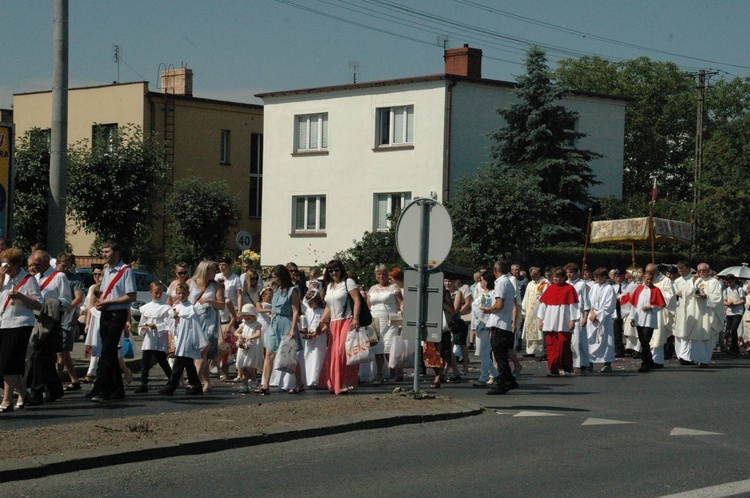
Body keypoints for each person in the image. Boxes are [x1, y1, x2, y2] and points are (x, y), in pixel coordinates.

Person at [91, 241, 136, 403]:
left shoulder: (126, 271)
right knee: (108, 351)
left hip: (118, 314)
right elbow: (104, 292)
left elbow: (131, 296)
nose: (104, 254)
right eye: (102, 251)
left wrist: (109, 303)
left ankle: (103, 389)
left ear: (116, 253)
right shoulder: (107, 270)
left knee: (107, 352)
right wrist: (101, 301)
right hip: (106, 313)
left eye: (107, 251)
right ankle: (117, 389)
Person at [26, 249, 72, 405]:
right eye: (32, 264)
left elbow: (66, 301)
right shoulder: (35, 277)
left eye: (37, 263)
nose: (34, 266)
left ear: (46, 261)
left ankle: (36, 392)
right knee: (43, 358)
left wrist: (51, 305)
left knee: (39, 355)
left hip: (51, 322)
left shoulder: (59, 277)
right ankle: (55, 389)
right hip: (37, 321)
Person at [0, 248, 43, 412]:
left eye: (7, 265)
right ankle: (24, 393)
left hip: (19, 324)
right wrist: (1, 276)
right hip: (2, 322)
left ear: (17, 264)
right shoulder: (3, 278)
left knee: (9, 364)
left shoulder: (28, 280)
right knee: (3, 365)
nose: (5, 268)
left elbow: (38, 304)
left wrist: (20, 296)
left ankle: (6, 400)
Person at [255, 265, 302, 395]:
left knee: (290, 355)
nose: (273, 279)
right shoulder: (276, 290)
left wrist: (293, 329)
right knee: (269, 353)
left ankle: (299, 383)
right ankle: (265, 385)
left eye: (275, 277)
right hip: (275, 322)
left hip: (287, 322)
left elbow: (295, 310)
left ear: (281, 277)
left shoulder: (292, 290)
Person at [316, 260, 361, 395]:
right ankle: (335, 384)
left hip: (347, 320)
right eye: (330, 271)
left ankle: (343, 382)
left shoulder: (348, 283)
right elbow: (329, 307)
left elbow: (357, 300)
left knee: (341, 352)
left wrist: (356, 318)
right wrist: (321, 323)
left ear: (341, 269)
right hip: (334, 322)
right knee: (333, 353)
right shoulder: (329, 286)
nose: (334, 273)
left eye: (336, 270)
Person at [159, 283, 204, 396]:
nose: (181, 295)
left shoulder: (192, 309)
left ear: (188, 294)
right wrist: (175, 319)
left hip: (188, 340)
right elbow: (174, 327)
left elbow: (195, 326)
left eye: (184, 293)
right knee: (188, 365)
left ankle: (170, 387)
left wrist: (196, 340)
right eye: (179, 293)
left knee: (178, 365)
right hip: (180, 339)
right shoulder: (176, 308)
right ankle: (196, 386)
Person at [480, 259, 517, 395]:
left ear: (496, 271)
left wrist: (488, 309)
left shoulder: (501, 283)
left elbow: (499, 304)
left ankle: (503, 383)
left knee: (499, 355)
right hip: (504, 323)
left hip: (499, 323)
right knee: (501, 354)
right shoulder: (508, 282)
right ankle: (509, 380)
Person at [536, 267, 580, 377]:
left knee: (563, 345)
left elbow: (573, 306)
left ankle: (566, 367)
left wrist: (573, 320)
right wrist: (541, 320)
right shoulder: (550, 289)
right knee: (551, 346)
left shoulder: (569, 289)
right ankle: (553, 369)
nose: (555, 279)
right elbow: (543, 306)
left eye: (558, 277)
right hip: (550, 321)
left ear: (563, 277)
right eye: (554, 277)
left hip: (563, 322)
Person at [677, 262, 723, 367]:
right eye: (700, 270)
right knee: (696, 337)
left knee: (707, 336)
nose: (702, 272)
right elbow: (686, 293)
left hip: (707, 313)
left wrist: (706, 296)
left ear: (709, 270)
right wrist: (693, 281)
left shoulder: (714, 282)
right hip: (696, 312)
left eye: (704, 270)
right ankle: (696, 359)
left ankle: (705, 361)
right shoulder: (695, 280)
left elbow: (718, 298)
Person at [189, 260, 225, 393]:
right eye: (214, 269)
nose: (216, 272)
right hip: (195, 320)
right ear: (205, 270)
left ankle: (195, 381)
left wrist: (210, 300)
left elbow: (222, 305)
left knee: (203, 350)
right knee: (198, 353)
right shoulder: (191, 283)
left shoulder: (216, 286)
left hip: (210, 322)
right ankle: (207, 382)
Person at [366, 264, 403, 384]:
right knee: (377, 348)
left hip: (391, 320)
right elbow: (368, 305)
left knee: (389, 348)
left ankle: (393, 373)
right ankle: (380, 375)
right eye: (379, 274)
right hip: (374, 321)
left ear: (388, 275)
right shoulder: (372, 289)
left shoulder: (394, 287)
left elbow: (401, 302)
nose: (382, 276)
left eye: (384, 274)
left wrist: (402, 313)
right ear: (376, 275)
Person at [135, 282, 173, 393]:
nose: (158, 295)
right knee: (145, 363)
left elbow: (169, 324)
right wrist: (144, 327)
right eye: (156, 293)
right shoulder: (145, 308)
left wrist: (157, 326)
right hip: (149, 339)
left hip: (160, 339)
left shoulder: (166, 308)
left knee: (162, 361)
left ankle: (172, 381)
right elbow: (141, 323)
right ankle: (143, 384)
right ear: (150, 292)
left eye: (160, 293)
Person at [56, 253, 84, 392]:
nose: (66, 269)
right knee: (63, 353)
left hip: (67, 318)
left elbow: (78, 297)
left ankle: (55, 382)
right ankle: (74, 380)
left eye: (68, 266)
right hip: (54, 318)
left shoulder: (75, 279)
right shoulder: (53, 278)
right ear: (57, 265)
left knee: (62, 352)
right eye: (63, 266)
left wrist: (67, 308)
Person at [630, 270, 667, 372]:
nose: (649, 281)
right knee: (643, 341)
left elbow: (661, 305)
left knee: (645, 341)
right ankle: (650, 361)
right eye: (647, 279)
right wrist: (632, 317)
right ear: (643, 279)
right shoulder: (639, 289)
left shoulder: (656, 290)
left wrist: (651, 308)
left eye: (651, 279)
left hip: (650, 319)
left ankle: (645, 363)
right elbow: (634, 304)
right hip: (639, 319)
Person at [472, 270, 500, 387]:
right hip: (479, 326)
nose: (480, 282)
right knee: (481, 352)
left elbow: (490, 310)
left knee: (484, 353)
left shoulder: (493, 295)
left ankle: (483, 377)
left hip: (486, 327)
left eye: (482, 280)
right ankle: (495, 374)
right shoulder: (483, 293)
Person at [644, 263, 675, 368]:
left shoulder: (665, 281)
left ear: (656, 271)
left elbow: (670, 296)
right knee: (648, 336)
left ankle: (657, 361)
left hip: (659, 312)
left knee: (658, 336)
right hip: (647, 313)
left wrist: (657, 296)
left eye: (651, 273)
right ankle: (649, 359)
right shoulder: (646, 281)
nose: (649, 276)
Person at [587, 267, 617, 372]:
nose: (595, 279)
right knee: (590, 339)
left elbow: (609, 306)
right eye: (595, 277)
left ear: (604, 277)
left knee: (605, 340)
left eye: (597, 277)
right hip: (592, 316)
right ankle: (589, 362)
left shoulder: (609, 289)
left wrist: (598, 315)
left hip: (604, 318)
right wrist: (591, 312)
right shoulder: (594, 287)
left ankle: (607, 363)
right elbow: (589, 301)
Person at [566, 263, 591, 374]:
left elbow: (586, 302)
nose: (569, 274)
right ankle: (572, 362)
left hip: (579, 313)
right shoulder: (565, 284)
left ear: (576, 273)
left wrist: (585, 316)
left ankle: (581, 363)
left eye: (571, 272)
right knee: (570, 341)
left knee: (579, 341)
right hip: (567, 314)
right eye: (567, 272)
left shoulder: (581, 285)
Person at [234, 303, 263, 393]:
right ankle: (245, 384)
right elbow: (236, 332)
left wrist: (249, 338)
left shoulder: (256, 324)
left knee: (249, 365)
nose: (246, 318)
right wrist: (240, 336)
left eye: (248, 316)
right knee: (243, 366)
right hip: (243, 346)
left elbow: (258, 334)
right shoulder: (244, 324)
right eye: (244, 316)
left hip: (252, 346)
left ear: (253, 315)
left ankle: (254, 380)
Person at [300, 289, 326, 387]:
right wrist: (305, 333)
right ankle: (307, 379)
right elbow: (306, 325)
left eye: (312, 303)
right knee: (307, 356)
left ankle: (315, 379)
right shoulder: (308, 311)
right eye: (309, 303)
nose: (310, 305)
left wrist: (318, 333)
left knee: (317, 357)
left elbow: (327, 326)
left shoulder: (322, 311)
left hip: (319, 338)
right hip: (310, 338)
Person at [521, 267, 547, 358]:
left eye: (534, 275)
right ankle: (530, 351)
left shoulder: (544, 283)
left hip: (539, 311)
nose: (532, 277)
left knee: (538, 331)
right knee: (530, 329)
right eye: (531, 276)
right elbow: (526, 297)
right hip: (530, 311)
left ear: (539, 273)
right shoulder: (530, 284)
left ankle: (540, 351)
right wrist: (524, 311)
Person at [611, 269, 632, 358]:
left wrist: (621, 298)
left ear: (623, 276)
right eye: (615, 276)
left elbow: (630, 297)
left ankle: (631, 348)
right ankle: (618, 349)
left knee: (628, 330)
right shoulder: (613, 287)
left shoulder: (629, 286)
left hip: (627, 309)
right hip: (616, 308)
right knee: (616, 330)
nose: (616, 278)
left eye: (618, 276)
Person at [722, 274, 745, 355]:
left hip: (738, 312)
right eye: (727, 282)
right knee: (730, 330)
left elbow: (743, 300)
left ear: (734, 280)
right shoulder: (725, 290)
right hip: (729, 312)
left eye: (730, 281)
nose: (729, 284)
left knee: (733, 329)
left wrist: (735, 304)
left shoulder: (739, 289)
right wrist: (727, 303)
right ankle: (733, 347)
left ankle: (734, 348)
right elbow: (724, 301)